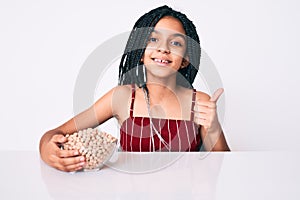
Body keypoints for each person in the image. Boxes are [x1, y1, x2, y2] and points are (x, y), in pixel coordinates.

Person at [39, 5, 230, 172]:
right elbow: (55, 133)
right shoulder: (122, 97)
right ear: (140, 53)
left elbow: (224, 166)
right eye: (153, 40)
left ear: (185, 59)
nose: (163, 49)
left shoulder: (201, 102)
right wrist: (47, 150)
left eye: (176, 43)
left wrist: (213, 127)